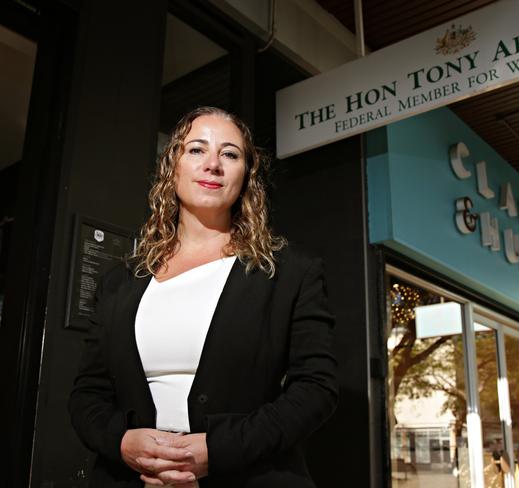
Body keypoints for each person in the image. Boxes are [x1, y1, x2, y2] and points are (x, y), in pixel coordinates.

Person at [68, 106, 338, 488]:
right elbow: (87, 395)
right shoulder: (121, 282)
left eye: (230, 154)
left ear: (246, 176)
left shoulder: (291, 273)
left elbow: (317, 389)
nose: (213, 164)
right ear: (172, 166)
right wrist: (123, 442)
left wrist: (218, 450)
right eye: (196, 150)